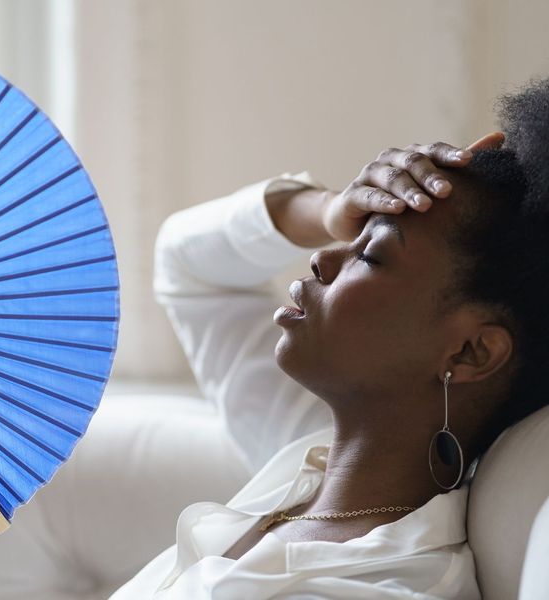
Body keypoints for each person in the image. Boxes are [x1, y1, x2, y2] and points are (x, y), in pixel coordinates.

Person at [110, 78, 549, 599]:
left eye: (370, 254)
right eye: (353, 232)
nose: (323, 255)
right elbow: (187, 260)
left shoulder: (376, 586)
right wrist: (329, 208)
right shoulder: (305, 459)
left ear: (470, 351)